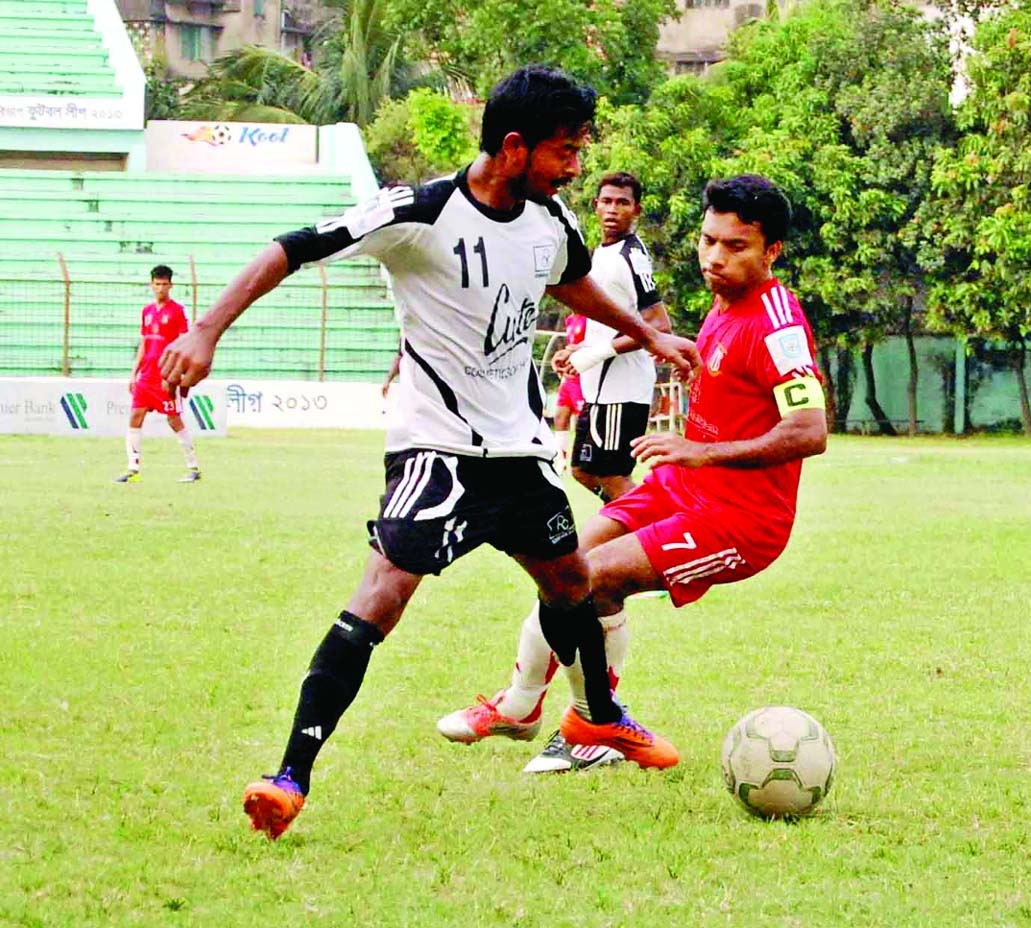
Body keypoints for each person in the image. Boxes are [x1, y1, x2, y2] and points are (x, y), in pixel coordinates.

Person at [158, 65, 702, 840]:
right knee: (382, 595)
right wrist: (205, 330)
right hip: (437, 450)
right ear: (513, 147)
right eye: (565, 150)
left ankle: (600, 719)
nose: (576, 166)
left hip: (519, 453)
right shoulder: (420, 213)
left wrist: (649, 333)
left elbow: (571, 282)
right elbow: (293, 247)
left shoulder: (553, 222)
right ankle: (289, 777)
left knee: (572, 582)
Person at [437, 174, 828, 774]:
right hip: (682, 490)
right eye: (708, 242)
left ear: (772, 250)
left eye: (735, 246)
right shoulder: (726, 305)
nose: (715, 258)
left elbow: (809, 431)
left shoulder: (778, 323)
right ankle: (523, 709)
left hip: (739, 521)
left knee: (593, 581)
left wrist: (700, 452)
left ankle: (591, 731)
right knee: (563, 568)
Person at [559, 171, 670, 502]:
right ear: (595, 206)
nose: (612, 209)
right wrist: (579, 348)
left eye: (622, 203)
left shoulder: (630, 256)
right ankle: (631, 525)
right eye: (606, 201)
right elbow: (613, 322)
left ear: (636, 210)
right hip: (599, 390)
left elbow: (658, 326)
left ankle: (653, 532)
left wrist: (594, 355)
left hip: (622, 389)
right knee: (582, 471)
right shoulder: (602, 253)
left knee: (612, 475)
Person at [114, 265, 201, 484]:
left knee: (174, 420)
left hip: (165, 375)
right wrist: (134, 373)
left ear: (170, 285)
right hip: (146, 376)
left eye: (164, 284)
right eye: (157, 284)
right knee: (135, 416)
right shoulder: (147, 311)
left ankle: (193, 467)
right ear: (151, 285)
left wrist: (173, 374)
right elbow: (144, 343)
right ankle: (133, 469)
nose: (160, 288)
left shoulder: (177, 311)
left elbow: (183, 343)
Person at [550, 312, 586, 473]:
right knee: (559, 417)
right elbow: (571, 345)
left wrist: (574, 351)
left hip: (584, 376)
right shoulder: (571, 319)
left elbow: (597, 342)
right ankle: (560, 459)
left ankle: (584, 458)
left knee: (583, 420)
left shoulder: (591, 318)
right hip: (569, 377)